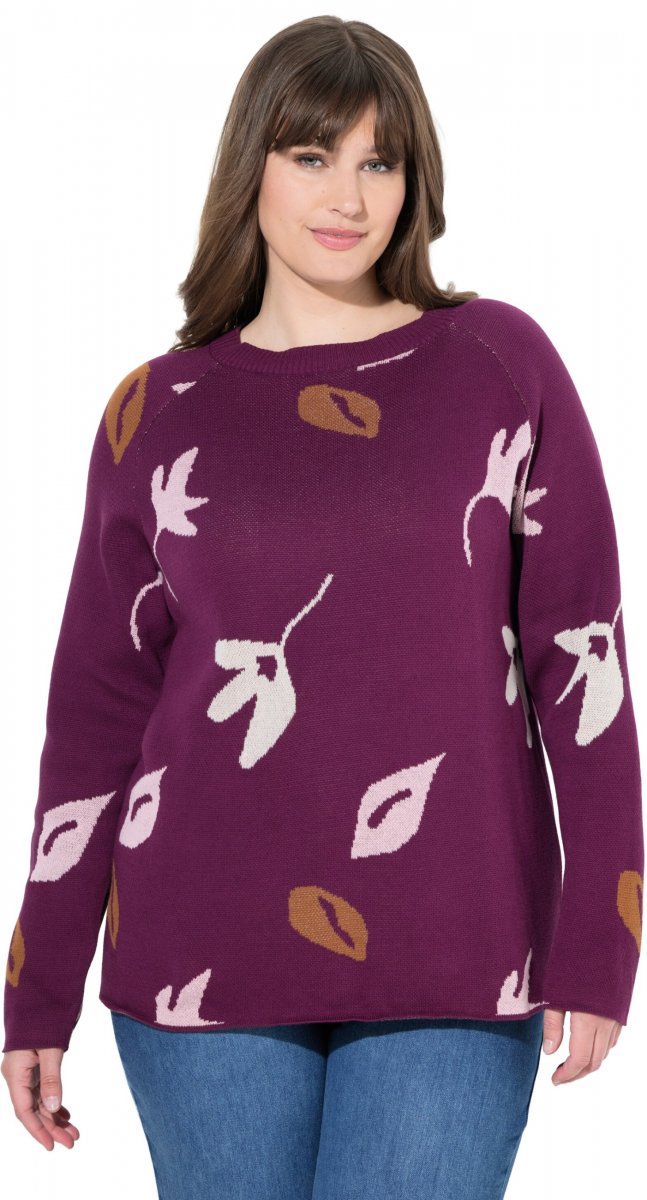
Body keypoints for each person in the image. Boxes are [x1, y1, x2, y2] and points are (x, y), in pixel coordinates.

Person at [2, 14, 643, 1198]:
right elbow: (93, 712)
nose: (347, 196)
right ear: (249, 164)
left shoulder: (498, 367)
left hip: (456, 945)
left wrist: (602, 939)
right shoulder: (155, 411)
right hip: (197, 950)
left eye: (377, 160)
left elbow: (581, 662)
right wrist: (36, 990)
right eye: (311, 155)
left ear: (414, 181)